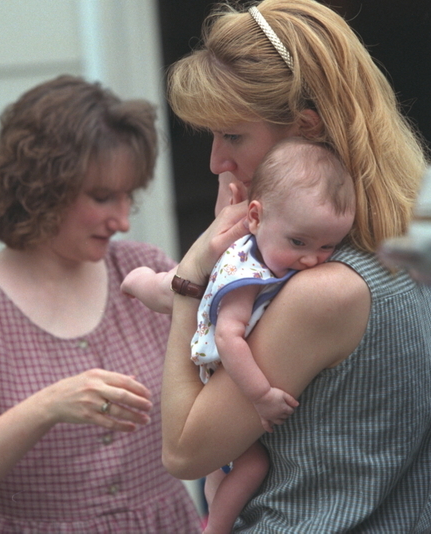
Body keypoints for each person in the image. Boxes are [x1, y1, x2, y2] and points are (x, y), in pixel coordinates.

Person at [159, 1, 431, 532]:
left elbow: (183, 451)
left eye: (233, 136)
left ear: (305, 129)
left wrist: (190, 279)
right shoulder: (391, 254)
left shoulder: (325, 292)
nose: (216, 161)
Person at [0, 75, 201, 533]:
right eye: (102, 197)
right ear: (43, 186)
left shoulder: (146, 274)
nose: (121, 219)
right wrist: (48, 406)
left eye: (128, 197)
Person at [126, 137, 355, 534]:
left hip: (215, 325)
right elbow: (231, 337)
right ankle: (215, 528)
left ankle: (144, 281)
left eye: (327, 246)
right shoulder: (247, 276)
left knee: (223, 466)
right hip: (214, 361)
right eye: (299, 242)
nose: (310, 258)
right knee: (252, 465)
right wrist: (260, 396)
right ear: (255, 216)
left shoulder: (274, 247)